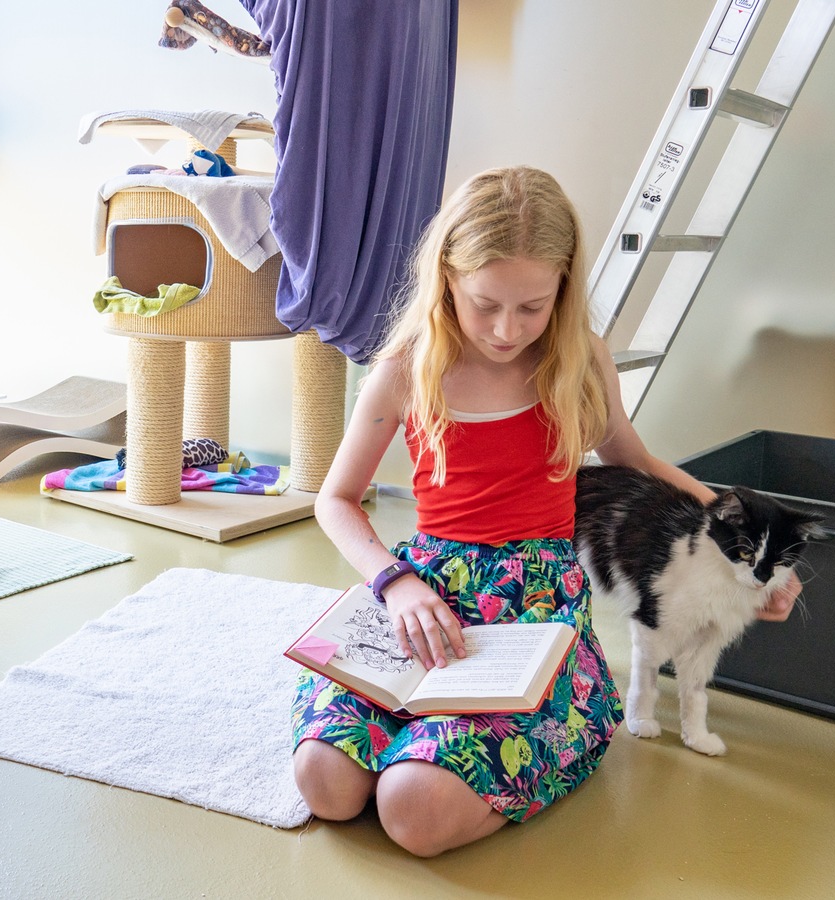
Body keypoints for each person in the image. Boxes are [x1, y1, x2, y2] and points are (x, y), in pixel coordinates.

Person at [292, 166, 800, 858]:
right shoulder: (407, 367)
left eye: (532, 307)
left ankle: (508, 743)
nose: (507, 329)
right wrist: (394, 581)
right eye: (485, 304)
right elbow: (335, 498)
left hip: (534, 604)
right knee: (324, 782)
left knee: (411, 810)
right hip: (422, 592)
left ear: (563, 284)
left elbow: (638, 462)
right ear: (446, 277)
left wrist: (755, 549)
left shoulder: (580, 361)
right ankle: (423, 752)